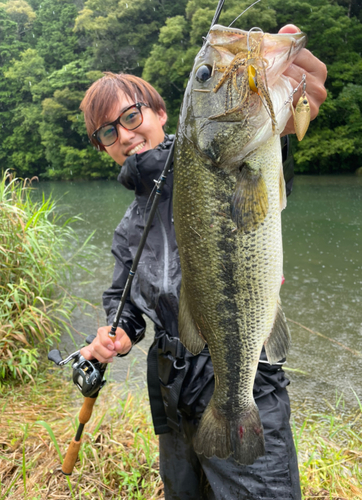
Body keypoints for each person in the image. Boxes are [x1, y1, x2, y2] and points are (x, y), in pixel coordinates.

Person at [79, 24, 327, 500]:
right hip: (174, 392)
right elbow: (126, 305)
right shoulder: (128, 228)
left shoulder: (215, 156)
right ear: (103, 146)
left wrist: (287, 114)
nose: (125, 135)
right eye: (108, 132)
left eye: (132, 116)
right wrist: (116, 334)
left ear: (160, 112)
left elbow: (269, 178)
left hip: (238, 373)